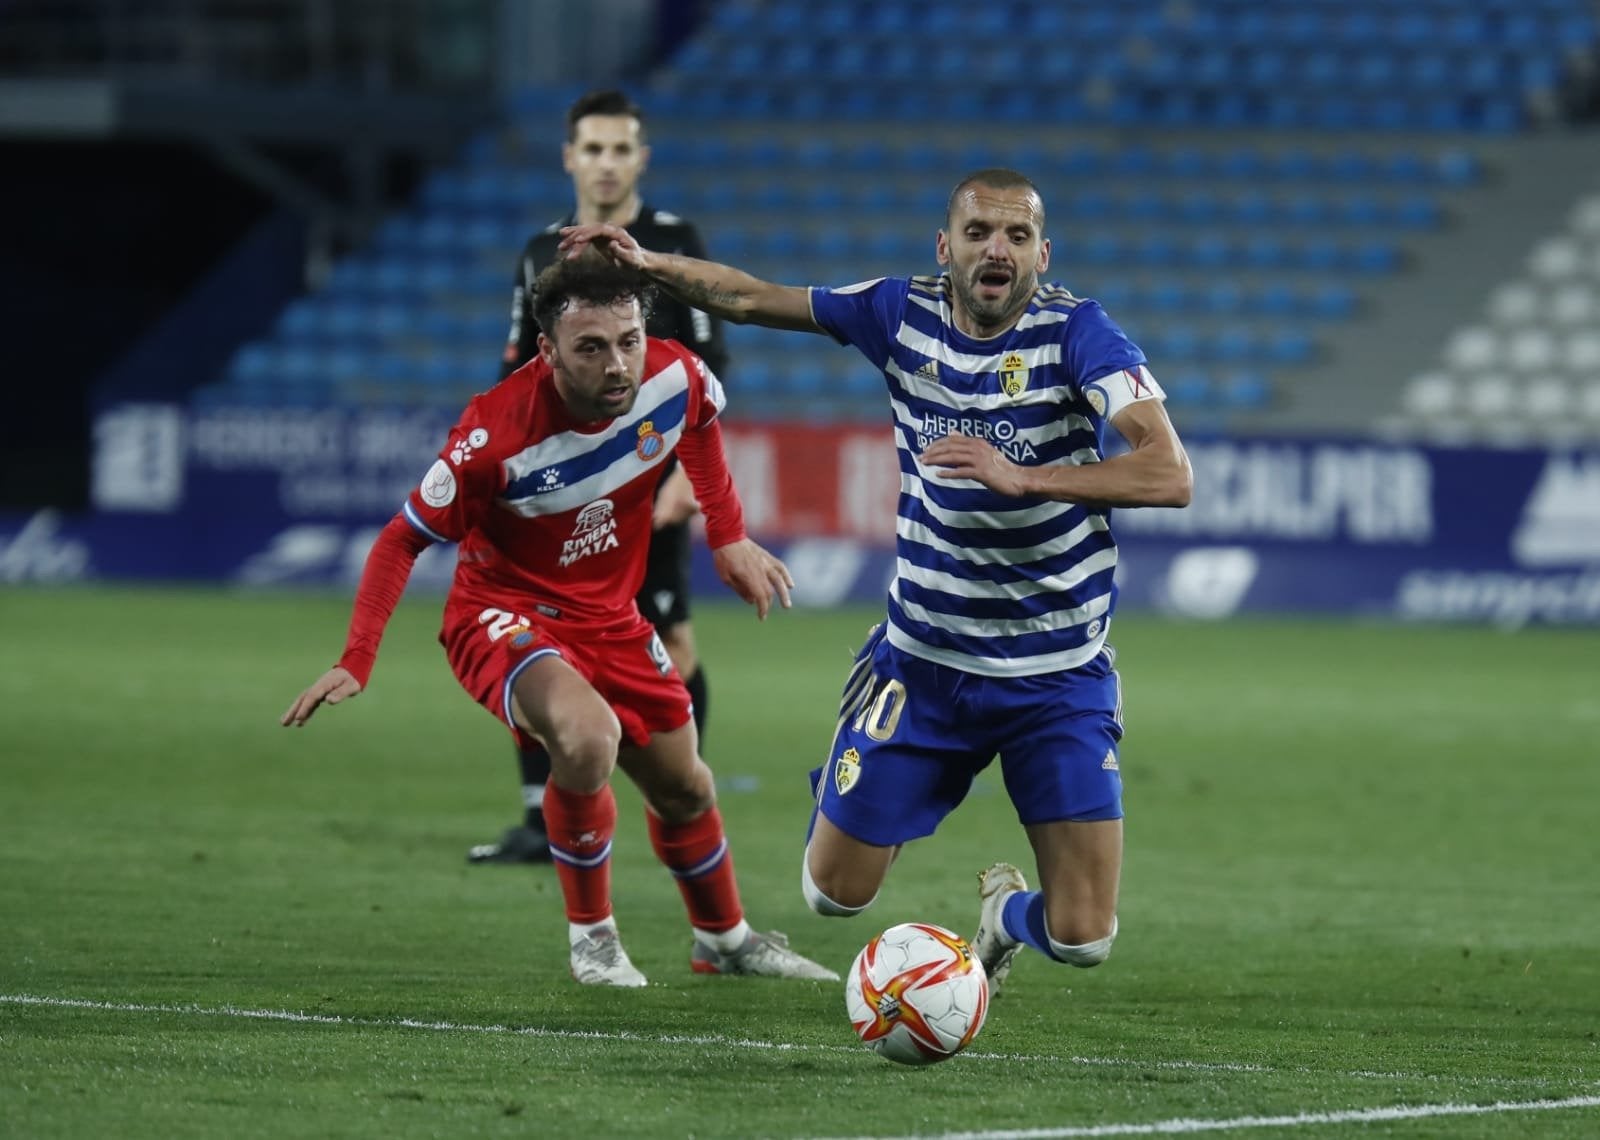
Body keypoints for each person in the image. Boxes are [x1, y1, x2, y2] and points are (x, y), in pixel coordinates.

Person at [561, 168, 1193, 998]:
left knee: (1082, 941)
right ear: (946, 247)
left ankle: (1005, 919)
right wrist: (649, 266)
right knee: (831, 894)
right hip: (924, 664)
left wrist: (1027, 478)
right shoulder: (900, 311)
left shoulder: (1080, 335)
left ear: (1043, 253)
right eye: (977, 234)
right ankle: (868, 760)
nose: (995, 250)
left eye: (1014, 236)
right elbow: (752, 299)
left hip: (1055, 679)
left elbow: (1169, 472)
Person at [281, 254, 837, 988]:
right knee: (586, 737)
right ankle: (594, 938)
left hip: (611, 617)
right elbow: (402, 537)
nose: (618, 365)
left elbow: (698, 424)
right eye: (591, 347)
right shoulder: (493, 438)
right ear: (547, 351)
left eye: (629, 340)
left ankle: (724, 940)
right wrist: (357, 657)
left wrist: (727, 534)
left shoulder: (673, 377)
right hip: (502, 613)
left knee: (687, 789)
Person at [470, 88, 730, 866]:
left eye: (622, 149)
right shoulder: (538, 253)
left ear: (640, 158)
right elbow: (516, 368)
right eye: (594, 149)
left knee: (670, 640)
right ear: (571, 158)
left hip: (647, 487)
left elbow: (708, 367)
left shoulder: (673, 240)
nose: (607, 163)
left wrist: (688, 479)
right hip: (552, 494)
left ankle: (674, 795)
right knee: (535, 637)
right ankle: (537, 818)